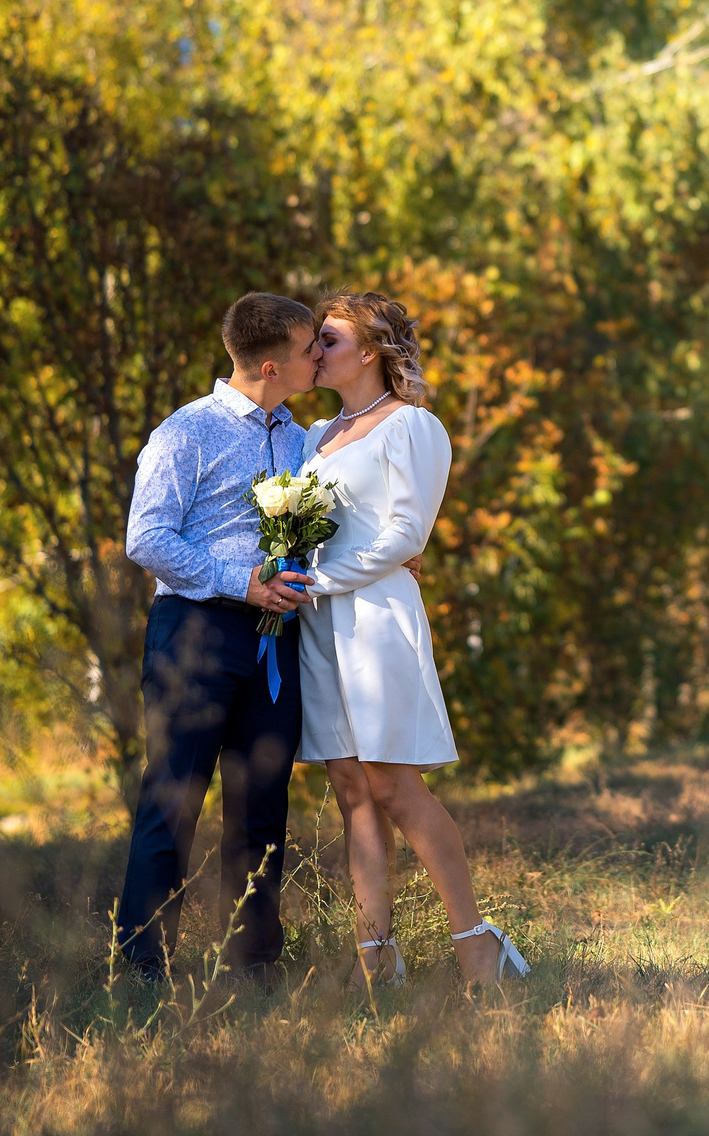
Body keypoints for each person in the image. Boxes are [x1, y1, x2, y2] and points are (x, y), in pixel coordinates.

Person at [297, 290, 528, 987]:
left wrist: (323, 579)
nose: (315, 350)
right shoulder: (312, 435)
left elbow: (406, 535)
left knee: (394, 783)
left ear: (369, 351)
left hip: (374, 617)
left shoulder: (413, 427)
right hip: (317, 623)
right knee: (350, 787)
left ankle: (476, 944)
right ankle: (377, 959)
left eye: (328, 339)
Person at [113, 292, 321, 984]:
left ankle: (255, 962)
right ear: (271, 364)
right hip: (196, 633)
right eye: (308, 346)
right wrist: (242, 582)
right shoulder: (186, 433)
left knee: (263, 802)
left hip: (273, 638)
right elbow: (146, 537)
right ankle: (143, 962)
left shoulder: (299, 437)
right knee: (174, 795)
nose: (318, 355)